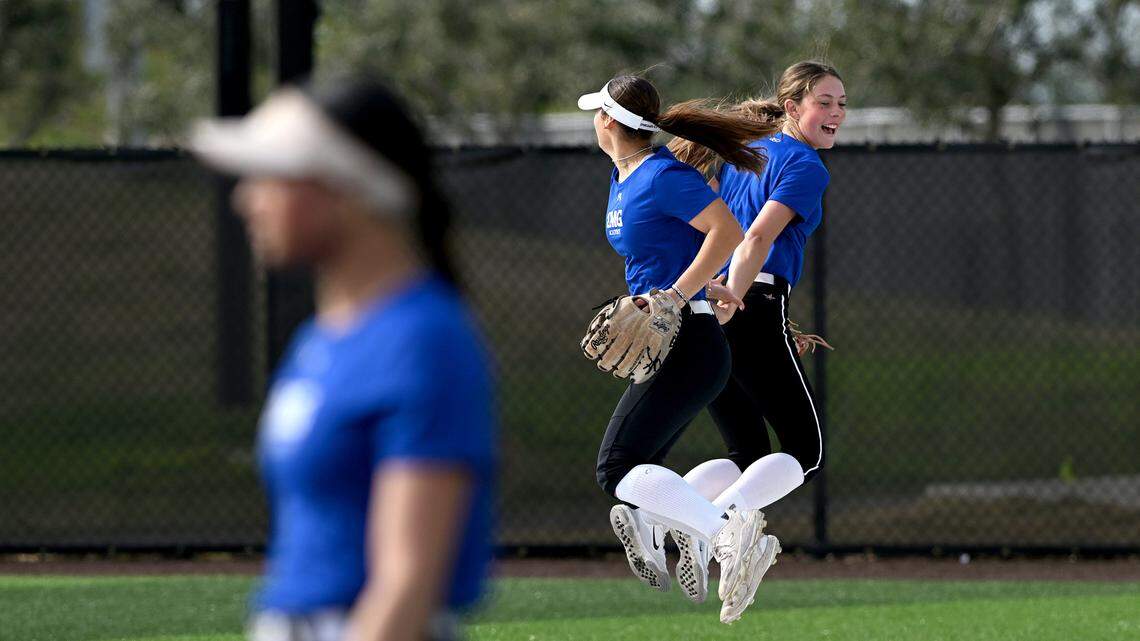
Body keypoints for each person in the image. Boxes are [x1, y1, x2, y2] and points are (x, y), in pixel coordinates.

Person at [191, 77, 495, 641]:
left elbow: (406, 581)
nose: (246, 199)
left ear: (349, 187)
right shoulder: (323, 339)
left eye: (273, 176)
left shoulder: (422, 339)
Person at [577, 74, 781, 624]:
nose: (593, 120)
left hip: (688, 341)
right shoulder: (624, 178)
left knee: (616, 466)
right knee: (635, 467)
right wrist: (697, 282)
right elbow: (691, 246)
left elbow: (727, 230)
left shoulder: (661, 174)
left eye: (596, 112)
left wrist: (675, 294)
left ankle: (728, 537)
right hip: (676, 337)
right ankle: (666, 529)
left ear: (609, 123)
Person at [665, 60, 847, 595]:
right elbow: (755, 241)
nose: (836, 112)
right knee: (804, 451)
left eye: (841, 103)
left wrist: (717, 304)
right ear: (792, 107)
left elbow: (730, 237)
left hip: (720, 303)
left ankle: (655, 517)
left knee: (749, 453)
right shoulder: (807, 165)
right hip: (745, 304)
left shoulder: (748, 153)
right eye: (824, 101)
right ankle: (711, 530)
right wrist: (737, 302)